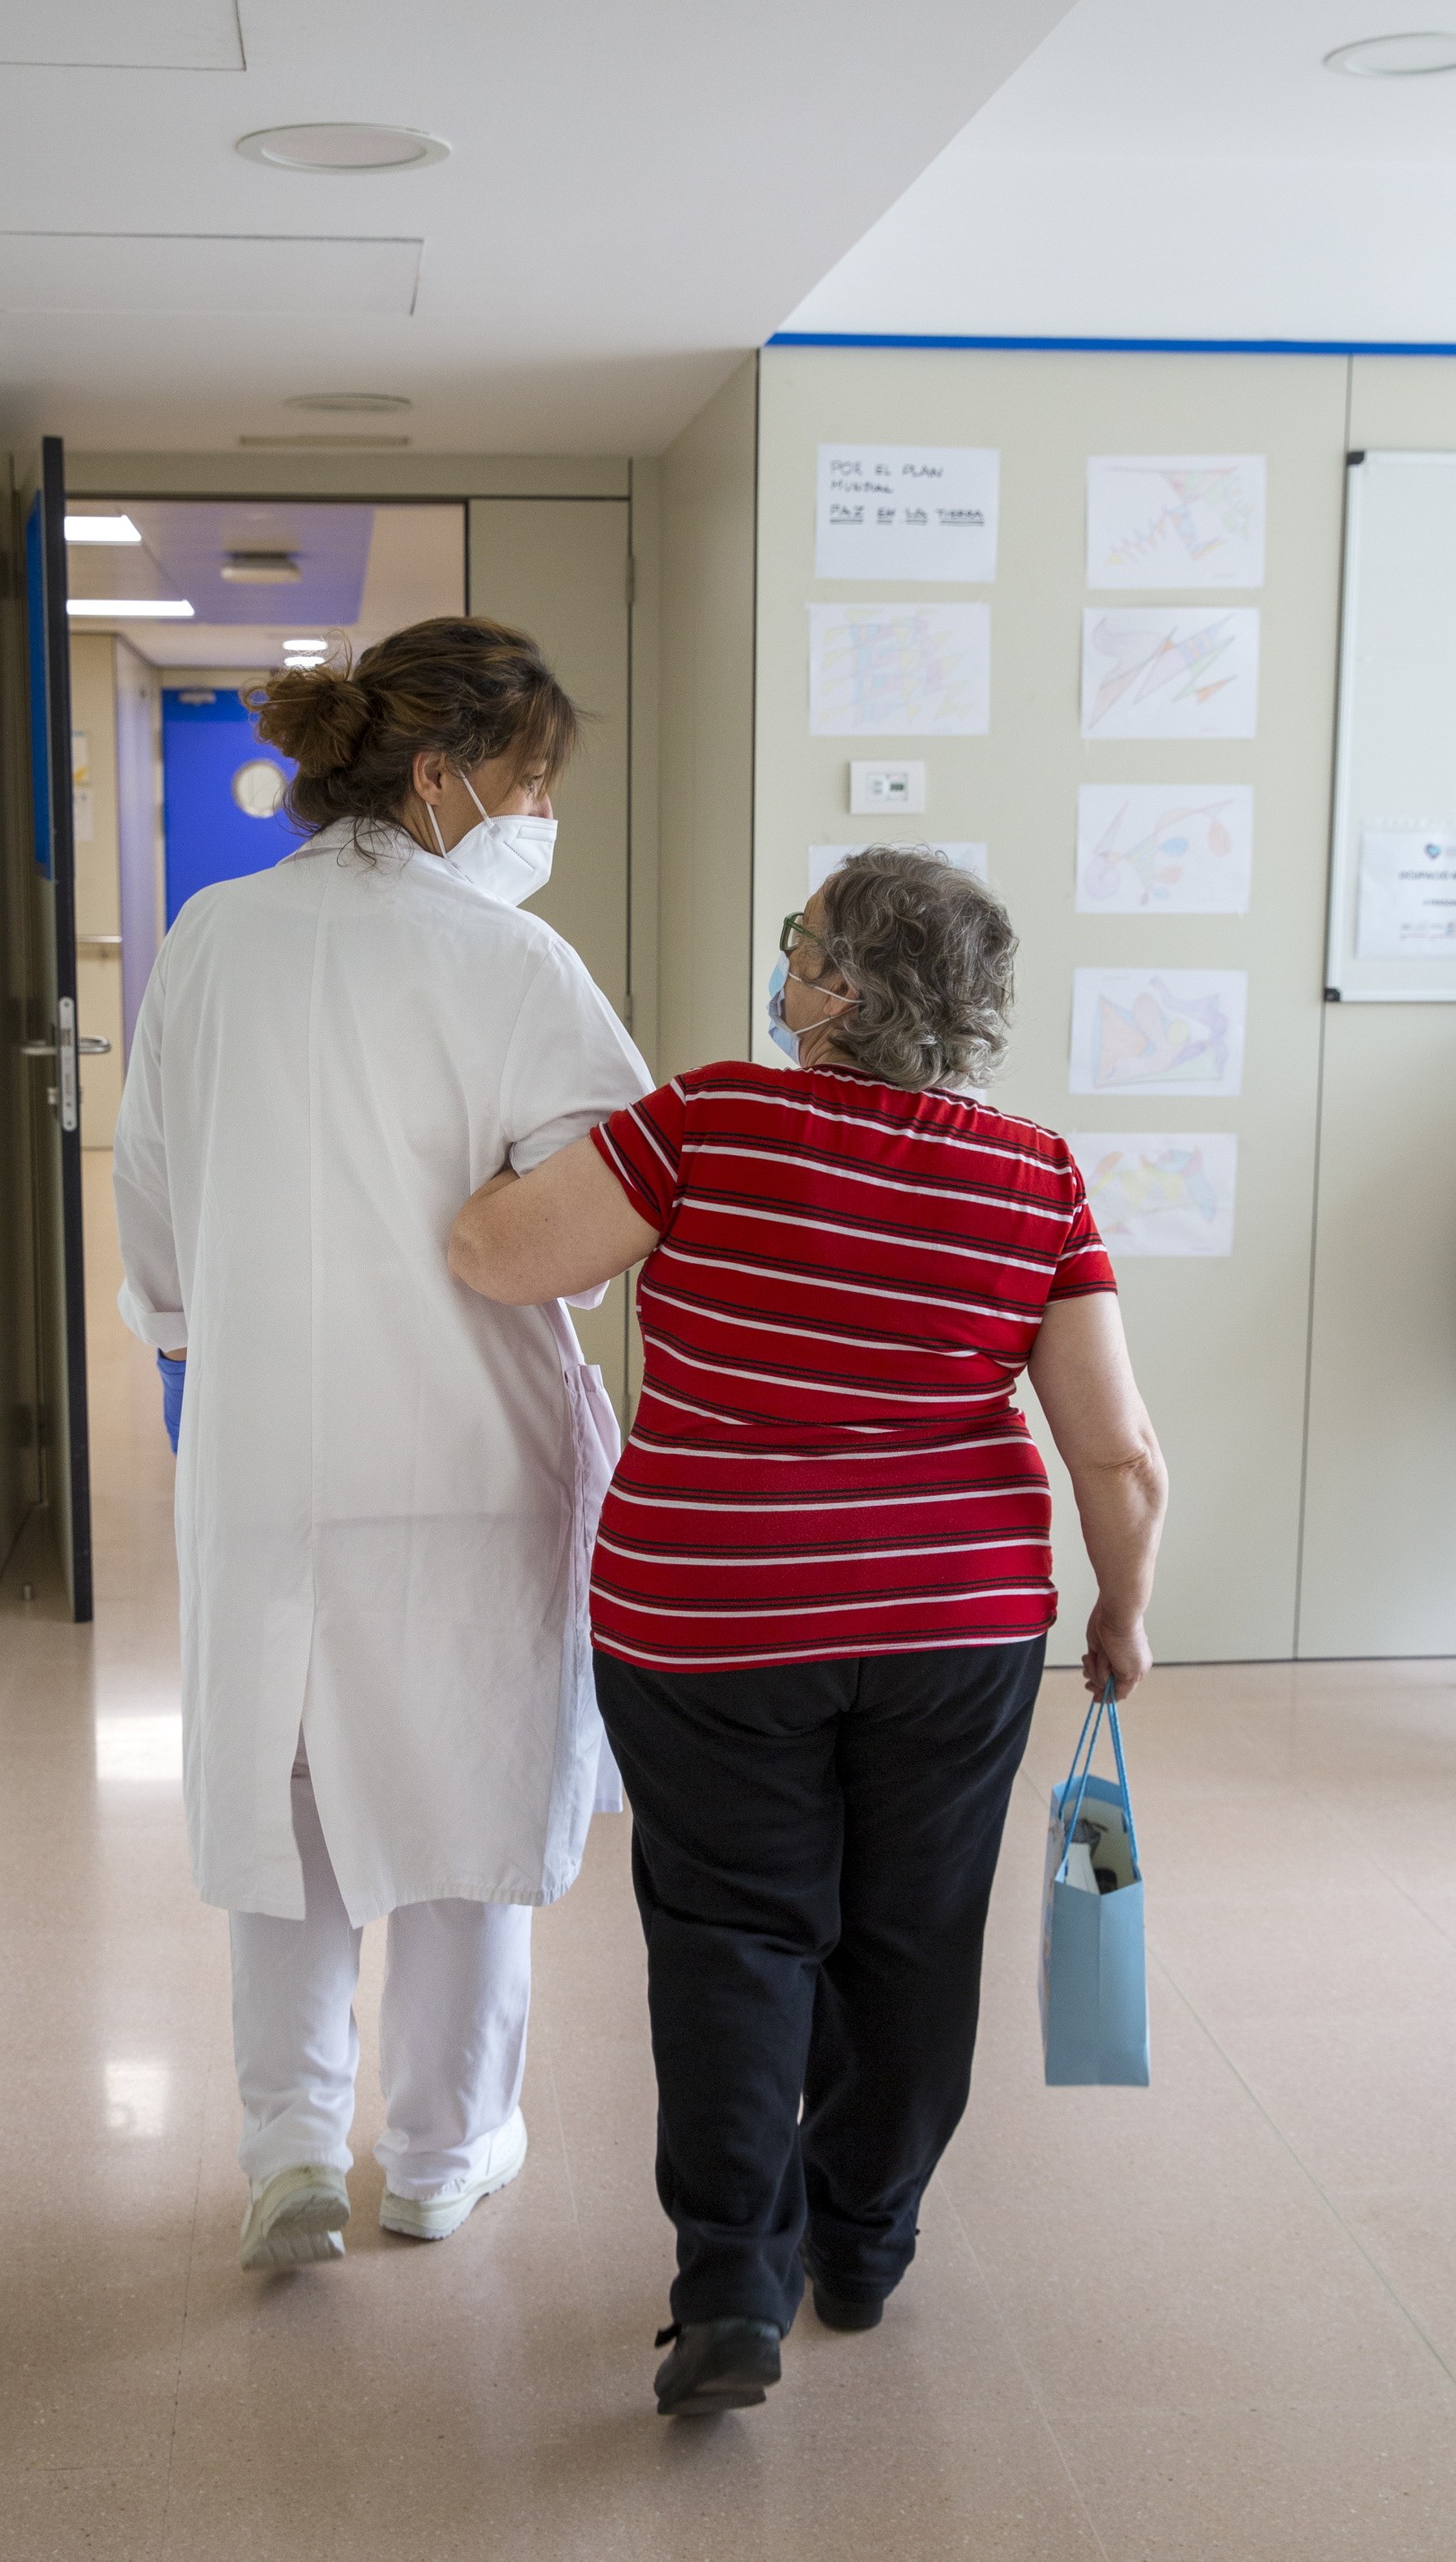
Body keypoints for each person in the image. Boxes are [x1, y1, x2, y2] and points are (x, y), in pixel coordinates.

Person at [448, 848, 1168, 2416]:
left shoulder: (705, 1120)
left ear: (842, 988)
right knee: (912, 1930)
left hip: (711, 1614)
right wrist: (1124, 1609)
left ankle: (728, 2284)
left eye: (801, 946)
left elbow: (497, 1255)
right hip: (950, 1622)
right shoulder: (1035, 1173)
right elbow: (1114, 1450)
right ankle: (864, 2246)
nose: (785, 970)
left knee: (730, 1930)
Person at [113, 617, 649, 2273]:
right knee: (466, 1803)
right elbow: (616, 1200)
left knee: (291, 1819)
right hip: (469, 1455)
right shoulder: (510, 967)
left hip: (269, 1455)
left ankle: (289, 2146)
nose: (534, 818)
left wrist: (199, 1346)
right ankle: (435, 2151)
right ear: (434, 778)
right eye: (523, 783)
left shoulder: (212, 934)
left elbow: (149, 1196)